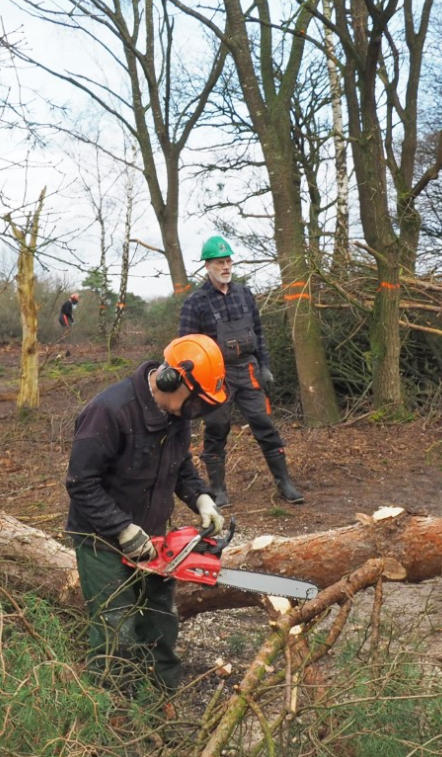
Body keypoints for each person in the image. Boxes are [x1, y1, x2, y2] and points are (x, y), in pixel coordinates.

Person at [64, 334, 228, 694]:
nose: (196, 411)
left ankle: (159, 702)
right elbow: (80, 482)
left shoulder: (175, 413)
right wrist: (122, 529)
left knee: (161, 623)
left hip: (153, 537)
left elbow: (180, 463)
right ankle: (115, 718)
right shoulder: (109, 412)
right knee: (116, 632)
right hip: (102, 542)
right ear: (173, 379)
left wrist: (201, 497)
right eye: (195, 401)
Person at [177, 235, 304, 506]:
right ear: (207, 266)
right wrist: (194, 385)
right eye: (220, 262)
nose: (226, 267)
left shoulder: (245, 294)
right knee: (216, 429)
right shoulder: (195, 303)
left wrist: (265, 367)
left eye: (228, 261)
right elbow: (185, 348)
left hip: (248, 370)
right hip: (215, 377)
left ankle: (285, 484)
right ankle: (219, 490)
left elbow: (258, 333)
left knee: (265, 425)